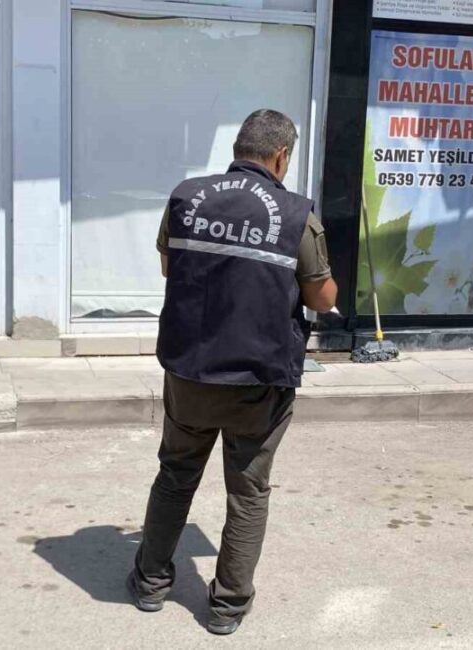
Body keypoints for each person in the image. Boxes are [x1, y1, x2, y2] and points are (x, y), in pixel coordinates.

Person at [128, 109, 338, 635]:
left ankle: (151, 583)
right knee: (247, 494)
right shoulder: (297, 214)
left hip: (190, 370)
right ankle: (226, 608)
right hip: (259, 379)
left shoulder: (186, 197)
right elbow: (321, 297)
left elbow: (170, 267)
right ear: (281, 156)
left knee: (176, 475)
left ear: (238, 148)